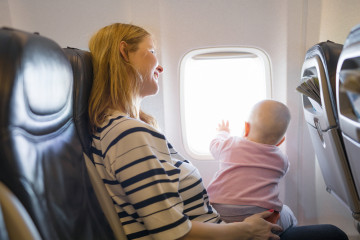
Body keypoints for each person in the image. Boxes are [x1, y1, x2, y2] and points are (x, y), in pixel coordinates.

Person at [87, 23, 349, 240]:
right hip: (222, 234)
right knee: (332, 235)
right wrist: (244, 229)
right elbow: (169, 232)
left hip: (219, 227)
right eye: (152, 51)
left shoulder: (123, 129)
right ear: (124, 53)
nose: (161, 66)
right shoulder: (129, 134)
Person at [207, 100, 297, 232]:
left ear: (246, 128)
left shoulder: (230, 144)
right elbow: (283, 171)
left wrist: (223, 132)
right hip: (262, 216)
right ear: (281, 141)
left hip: (219, 210)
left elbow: (214, 144)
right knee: (288, 214)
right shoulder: (282, 160)